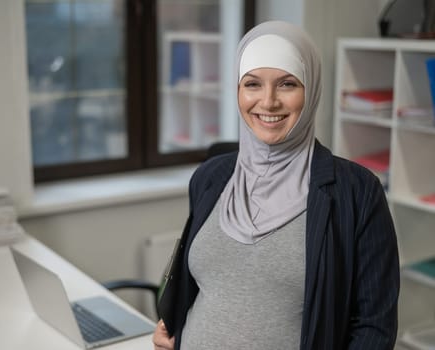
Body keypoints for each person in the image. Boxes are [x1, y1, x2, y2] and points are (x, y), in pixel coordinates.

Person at [153, 20, 400, 350]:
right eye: (252, 84)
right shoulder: (210, 177)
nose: (268, 102)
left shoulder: (357, 192)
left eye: (286, 84)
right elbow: (198, 284)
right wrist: (173, 329)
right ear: (238, 90)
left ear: (310, 90)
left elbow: (375, 327)